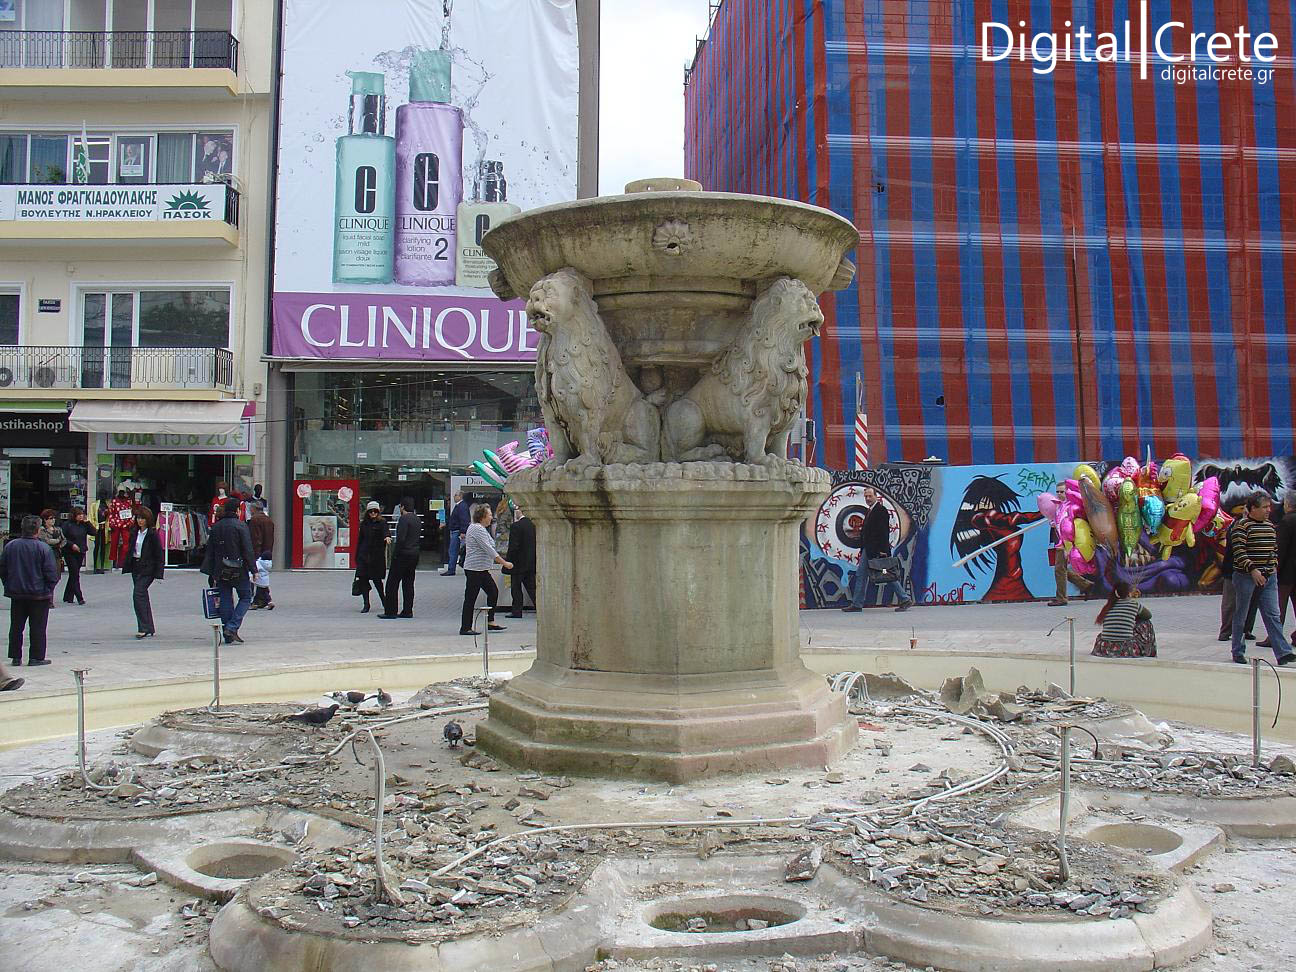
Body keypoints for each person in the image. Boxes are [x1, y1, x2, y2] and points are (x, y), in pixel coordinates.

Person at [1231, 493, 1296, 666]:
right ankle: (1237, 650)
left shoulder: (1269, 526)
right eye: (1265, 507)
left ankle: (1283, 652)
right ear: (1253, 508)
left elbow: (1274, 550)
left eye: (1269, 507)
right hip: (1246, 576)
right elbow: (1239, 552)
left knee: (1273, 614)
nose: (1268, 510)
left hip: (1268, 577)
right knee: (1242, 614)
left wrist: (1272, 567)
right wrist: (1253, 570)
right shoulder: (1241, 526)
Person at [842, 486, 913, 613]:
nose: (868, 498)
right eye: (866, 496)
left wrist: (883, 550)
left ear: (876, 496)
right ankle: (857, 603)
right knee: (863, 574)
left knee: (886, 573)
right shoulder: (871, 511)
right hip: (869, 550)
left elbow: (883, 532)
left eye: (870, 496)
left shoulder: (880, 510)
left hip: (876, 551)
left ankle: (904, 598)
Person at [0, 515, 58, 666]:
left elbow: (3, 570)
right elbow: (52, 573)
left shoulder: (11, 546)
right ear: (37, 530)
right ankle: (36, 657)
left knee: (16, 626)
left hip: (18, 593)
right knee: (38, 627)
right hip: (39, 595)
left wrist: (9, 585)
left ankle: (15, 656)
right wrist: (48, 589)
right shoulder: (43, 548)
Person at [202, 496, 256, 644]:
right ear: (238, 510)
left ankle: (228, 631)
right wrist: (254, 569)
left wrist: (211, 572)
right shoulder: (241, 526)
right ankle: (232, 627)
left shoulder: (216, 526)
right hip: (238, 568)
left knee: (225, 598)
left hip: (220, 569)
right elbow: (247, 549)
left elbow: (210, 551)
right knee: (246, 597)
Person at [460, 503, 511, 636]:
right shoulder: (477, 529)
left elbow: (490, 546)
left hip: (481, 569)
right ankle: (465, 627)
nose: (491, 518)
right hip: (474, 569)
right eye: (489, 515)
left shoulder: (481, 528)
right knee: (470, 598)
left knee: (493, 592)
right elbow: (489, 549)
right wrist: (505, 563)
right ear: (482, 516)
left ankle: (490, 621)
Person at [122, 506, 164, 639]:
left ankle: (143, 627)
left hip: (148, 568)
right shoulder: (134, 532)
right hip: (136, 566)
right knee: (142, 597)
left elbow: (159, 554)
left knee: (138, 594)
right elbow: (131, 549)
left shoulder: (152, 534)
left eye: (143, 518)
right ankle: (149, 626)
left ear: (148, 519)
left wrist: (159, 573)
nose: (140, 521)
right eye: (138, 518)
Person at [1220, 510, 1260, 643]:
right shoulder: (1236, 526)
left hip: (1253, 570)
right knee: (1230, 602)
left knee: (1252, 602)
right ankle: (1225, 631)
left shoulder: (1259, 526)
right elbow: (1236, 549)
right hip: (1233, 569)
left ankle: (1246, 629)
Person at [379, 498, 421, 619]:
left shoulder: (403, 519)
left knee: (392, 583)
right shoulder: (417, 519)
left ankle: (390, 611)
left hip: (403, 554)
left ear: (402, 507)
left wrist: (395, 553)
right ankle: (408, 610)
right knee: (408, 583)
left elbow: (401, 538)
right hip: (414, 553)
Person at [1091, 580, 1156, 657]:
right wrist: (1134, 617)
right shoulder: (1134, 604)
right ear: (1128, 593)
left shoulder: (1108, 606)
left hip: (1104, 647)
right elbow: (1148, 615)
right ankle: (1150, 652)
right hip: (1125, 649)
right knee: (1147, 623)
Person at [354, 500, 389, 613]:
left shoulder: (382, 523)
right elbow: (360, 540)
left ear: (378, 512)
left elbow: (386, 532)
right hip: (364, 556)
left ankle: (384, 602)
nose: (373, 513)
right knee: (363, 581)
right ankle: (366, 604)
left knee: (377, 581)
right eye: (370, 511)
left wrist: (387, 537)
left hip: (376, 557)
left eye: (375, 511)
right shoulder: (364, 524)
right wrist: (357, 556)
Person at [504, 503, 536, 618]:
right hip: (530, 562)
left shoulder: (516, 526)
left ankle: (517, 611)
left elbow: (513, 547)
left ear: (520, 512)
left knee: (516, 588)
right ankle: (540, 608)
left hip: (517, 563)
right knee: (532, 588)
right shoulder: (533, 525)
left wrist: (508, 562)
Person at [1272, 493, 1296, 640]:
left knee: (1279, 606)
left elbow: (1280, 549)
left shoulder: (1286, 521)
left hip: (1286, 573)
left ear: (1287, 504)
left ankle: (1274, 637)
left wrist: (1274, 569)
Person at [248, 500, 275, 610]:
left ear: (253, 509)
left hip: (257, 553)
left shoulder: (254, 520)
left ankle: (258, 600)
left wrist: (253, 553)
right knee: (262, 576)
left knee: (254, 576)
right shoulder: (268, 520)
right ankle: (264, 599)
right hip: (267, 552)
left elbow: (255, 538)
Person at [61, 508, 90, 605]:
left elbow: (93, 532)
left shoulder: (83, 525)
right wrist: (71, 544)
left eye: (82, 514)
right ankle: (79, 597)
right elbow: (63, 537)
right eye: (79, 514)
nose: (81, 516)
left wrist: (87, 522)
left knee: (74, 573)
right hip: (70, 552)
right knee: (75, 574)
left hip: (80, 551)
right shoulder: (67, 525)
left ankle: (68, 596)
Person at [441, 490, 471, 575]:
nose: (454, 497)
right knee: (453, 550)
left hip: (457, 531)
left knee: (453, 550)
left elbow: (464, 519)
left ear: (460, 496)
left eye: (455, 495)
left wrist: (463, 531)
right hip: (456, 530)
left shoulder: (462, 506)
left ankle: (451, 569)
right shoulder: (460, 506)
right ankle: (452, 568)